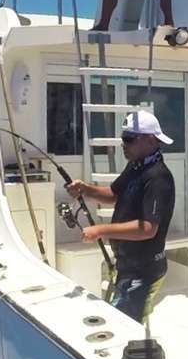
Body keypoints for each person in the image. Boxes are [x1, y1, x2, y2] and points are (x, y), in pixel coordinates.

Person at [64, 111, 175, 323]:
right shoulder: (136, 165)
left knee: (124, 325)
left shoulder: (158, 177)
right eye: (123, 139)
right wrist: (85, 189)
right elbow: (114, 194)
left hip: (144, 270)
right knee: (128, 322)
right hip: (127, 264)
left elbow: (148, 229)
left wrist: (100, 231)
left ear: (150, 139)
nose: (123, 144)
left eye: (129, 139)